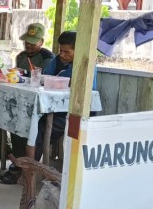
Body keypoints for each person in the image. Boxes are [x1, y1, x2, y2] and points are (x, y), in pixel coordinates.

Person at [0, 23, 55, 184]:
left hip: (39, 105)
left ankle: (22, 166)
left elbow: (42, 77)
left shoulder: (48, 57)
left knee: (27, 127)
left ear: (41, 41)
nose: (28, 45)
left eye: (32, 42)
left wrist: (24, 72)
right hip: (20, 100)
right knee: (5, 118)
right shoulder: (20, 56)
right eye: (26, 42)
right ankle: (14, 158)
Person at [23, 31, 97, 163]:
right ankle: (24, 164)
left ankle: (28, 169)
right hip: (54, 107)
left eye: (67, 52)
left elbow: (84, 90)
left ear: (79, 49)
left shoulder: (87, 64)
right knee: (27, 120)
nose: (62, 55)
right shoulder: (58, 59)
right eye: (61, 50)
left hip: (74, 112)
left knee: (39, 128)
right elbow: (45, 76)